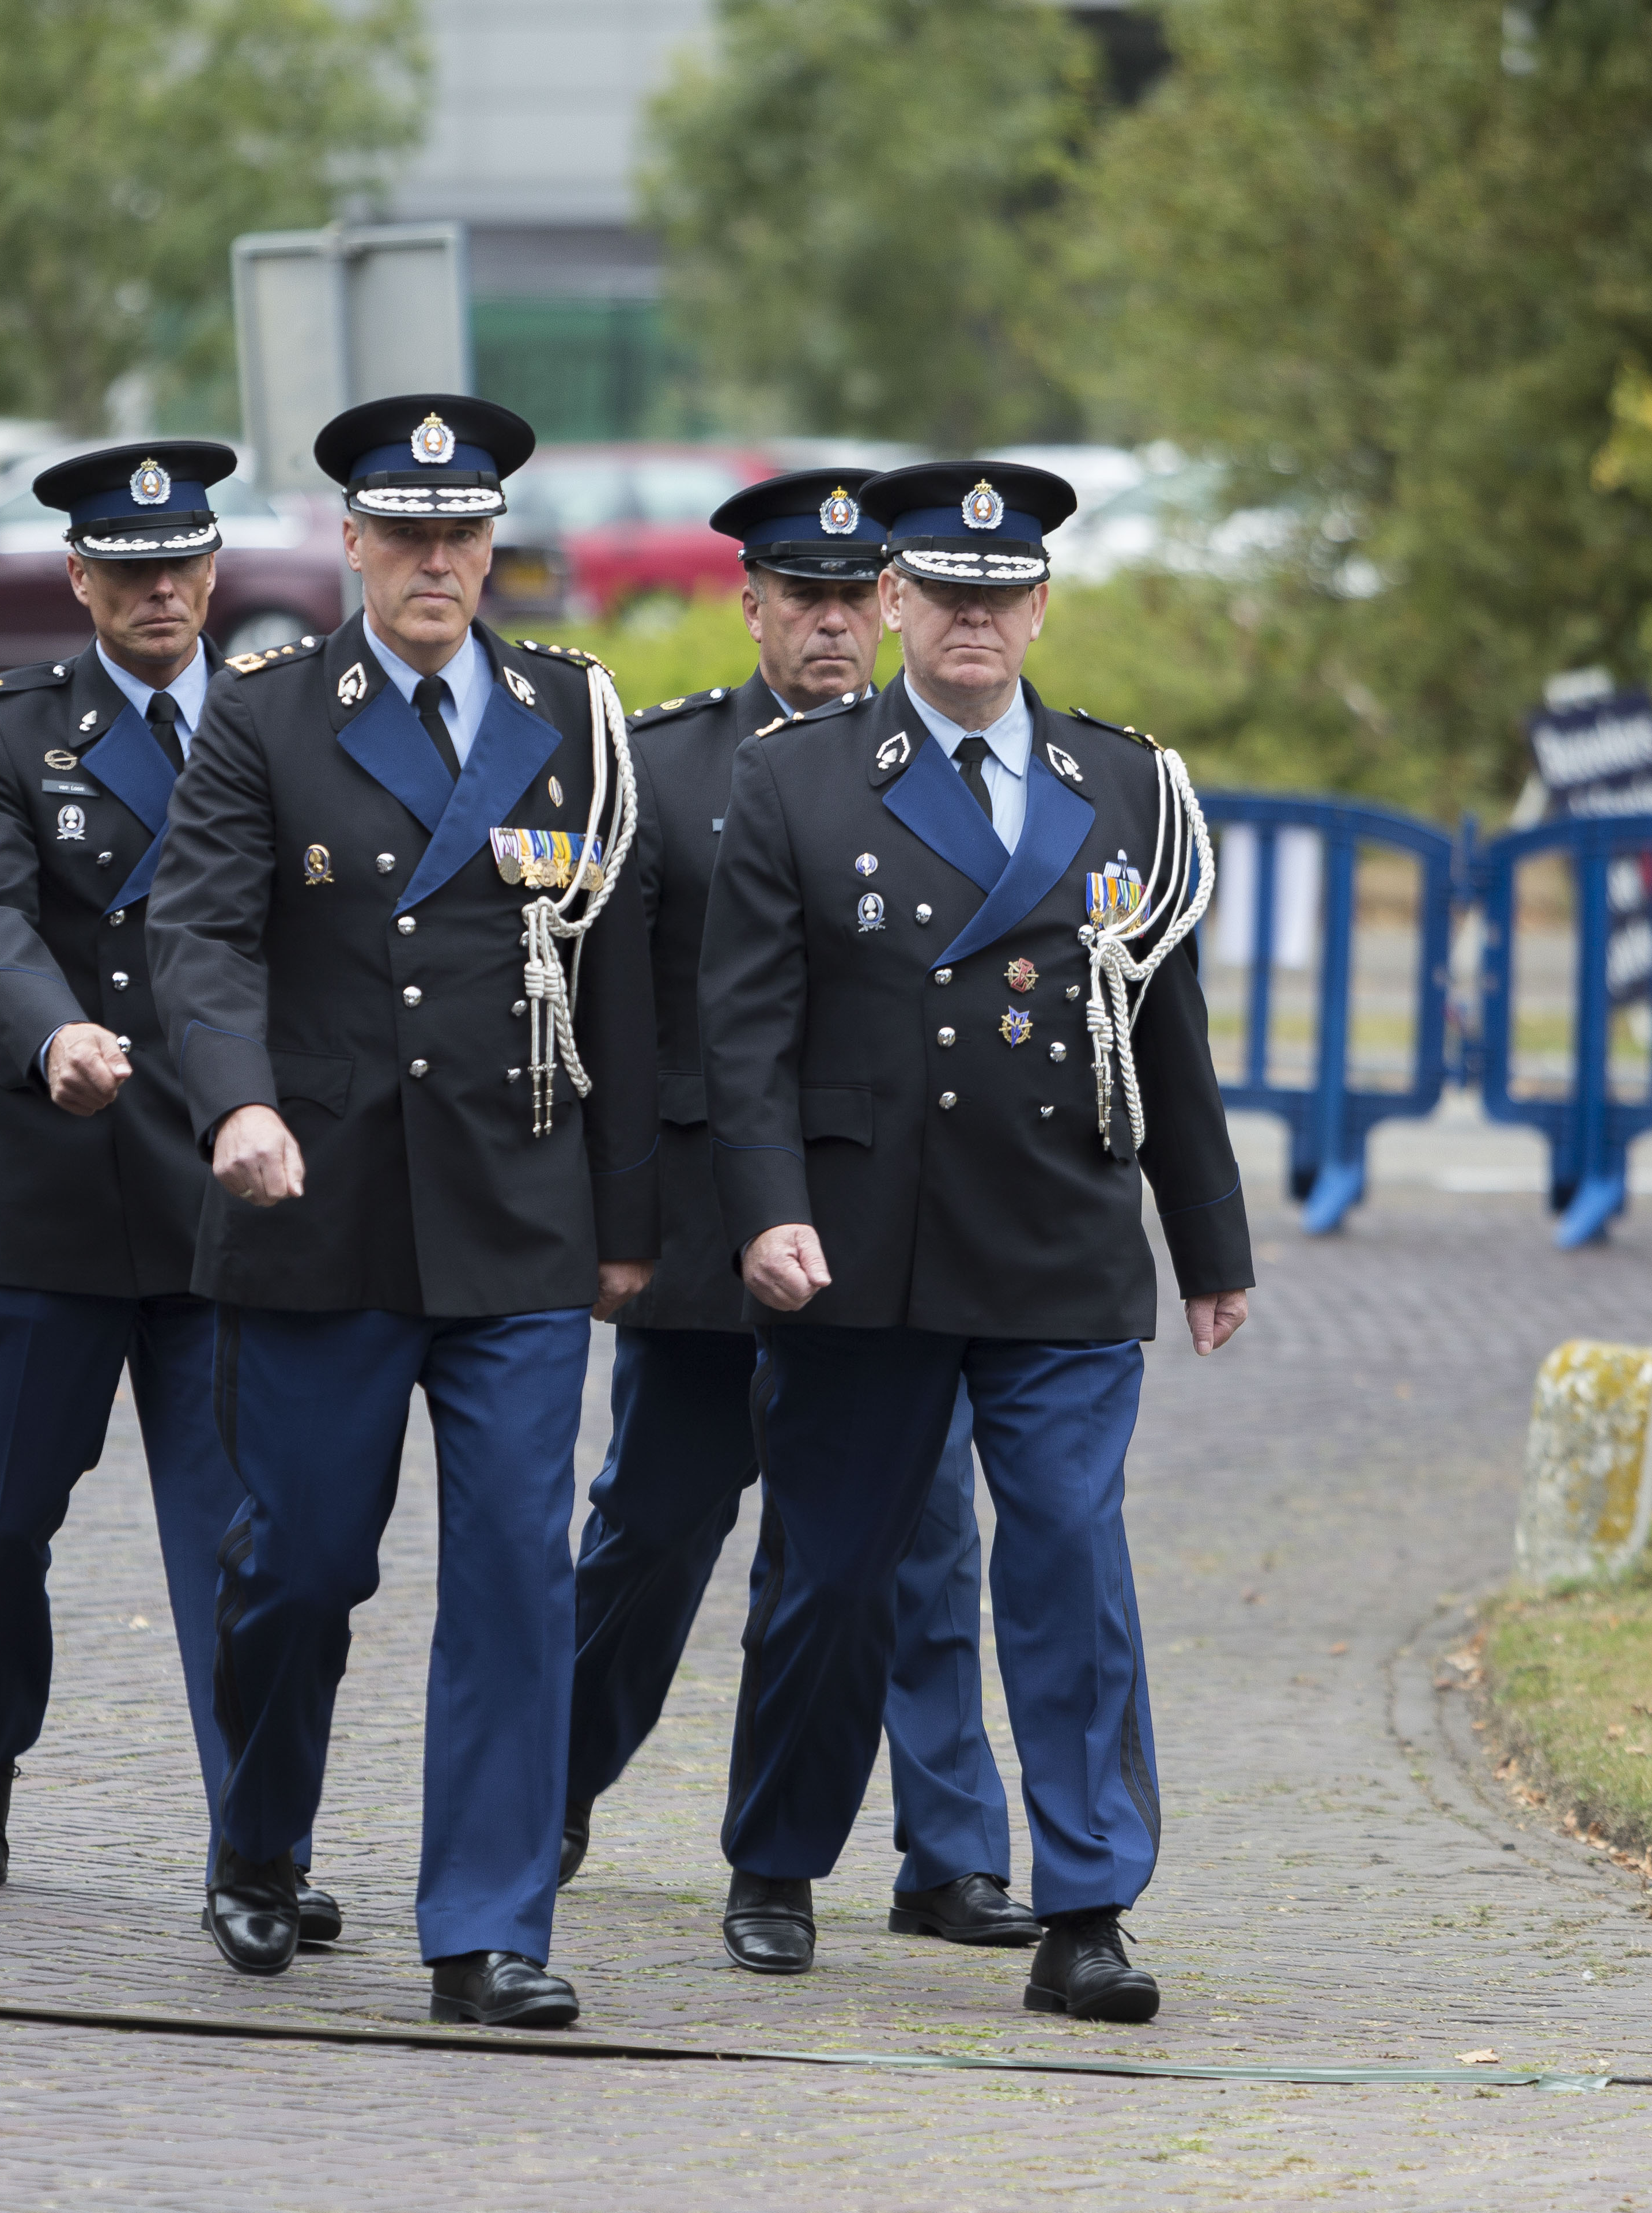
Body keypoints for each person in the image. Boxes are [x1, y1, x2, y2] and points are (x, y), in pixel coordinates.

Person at [699, 461, 1253, 2023]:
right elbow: (743, 1031)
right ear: (896, 605)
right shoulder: (802, 779)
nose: (974, 623)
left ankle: (1088, 1906)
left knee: (1072, 1560)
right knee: (835, 1577)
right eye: (943, 596)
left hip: (1059, 1236)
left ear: (1042, 608)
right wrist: (765, 1209)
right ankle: (777, 1854)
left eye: (1004, 597)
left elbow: (1168, 1025)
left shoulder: (1128, 786)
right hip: (857, 1247)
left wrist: (1208, 1240)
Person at [147, 394, 656, 2029]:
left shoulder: (573, 713)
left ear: (493, 543)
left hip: (514, 1204)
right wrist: (235, 1101)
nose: (439, 561)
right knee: (299, 1572)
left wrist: (629, 1214)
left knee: (516, 1566)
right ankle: (261, 1840)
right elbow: (202, 933)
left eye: (466, 533)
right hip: (324, 1210)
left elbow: (621, 982)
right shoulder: (270, 718)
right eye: (408, 533)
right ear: (352, 543)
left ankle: (490, 1930)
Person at [566, 469, 1036, 1969]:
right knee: (653, 1537)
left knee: (919, 1547)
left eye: (856, 596)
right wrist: (619, 1217)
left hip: (900, 1239)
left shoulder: (945, 769)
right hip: (714, 1239)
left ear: (889, 601)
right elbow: (621, 1022)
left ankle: (948, 1853)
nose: (832, 625)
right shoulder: (673, 767)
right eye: (805, 598)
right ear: (753, 603)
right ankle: (550, 1786)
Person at [0, 439, 336, 1943]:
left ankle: (252, 1845)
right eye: (130, 568)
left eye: (185, 564)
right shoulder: (10, 733)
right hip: (52, 1170)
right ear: (78, 579)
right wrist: (50, 1034)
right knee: (8, 1513)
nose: (163, 591)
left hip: (226, 1177)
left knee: (242, 1532)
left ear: (216, 572)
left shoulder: (289, 723)